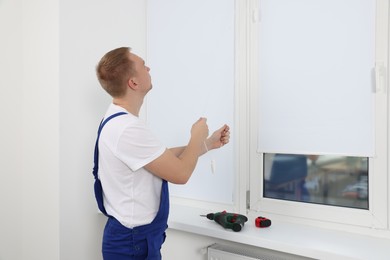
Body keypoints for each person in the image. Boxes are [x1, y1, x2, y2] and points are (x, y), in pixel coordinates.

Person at [94, 47, 230, 260]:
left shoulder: (116, 119)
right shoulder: (127, 128)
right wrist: (196, 135)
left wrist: (207, 144)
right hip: (133, 244)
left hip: (134, 240)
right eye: (142, 65)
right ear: (134, 83)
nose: (148, 67)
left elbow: (160, 158)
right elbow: (180, 174)